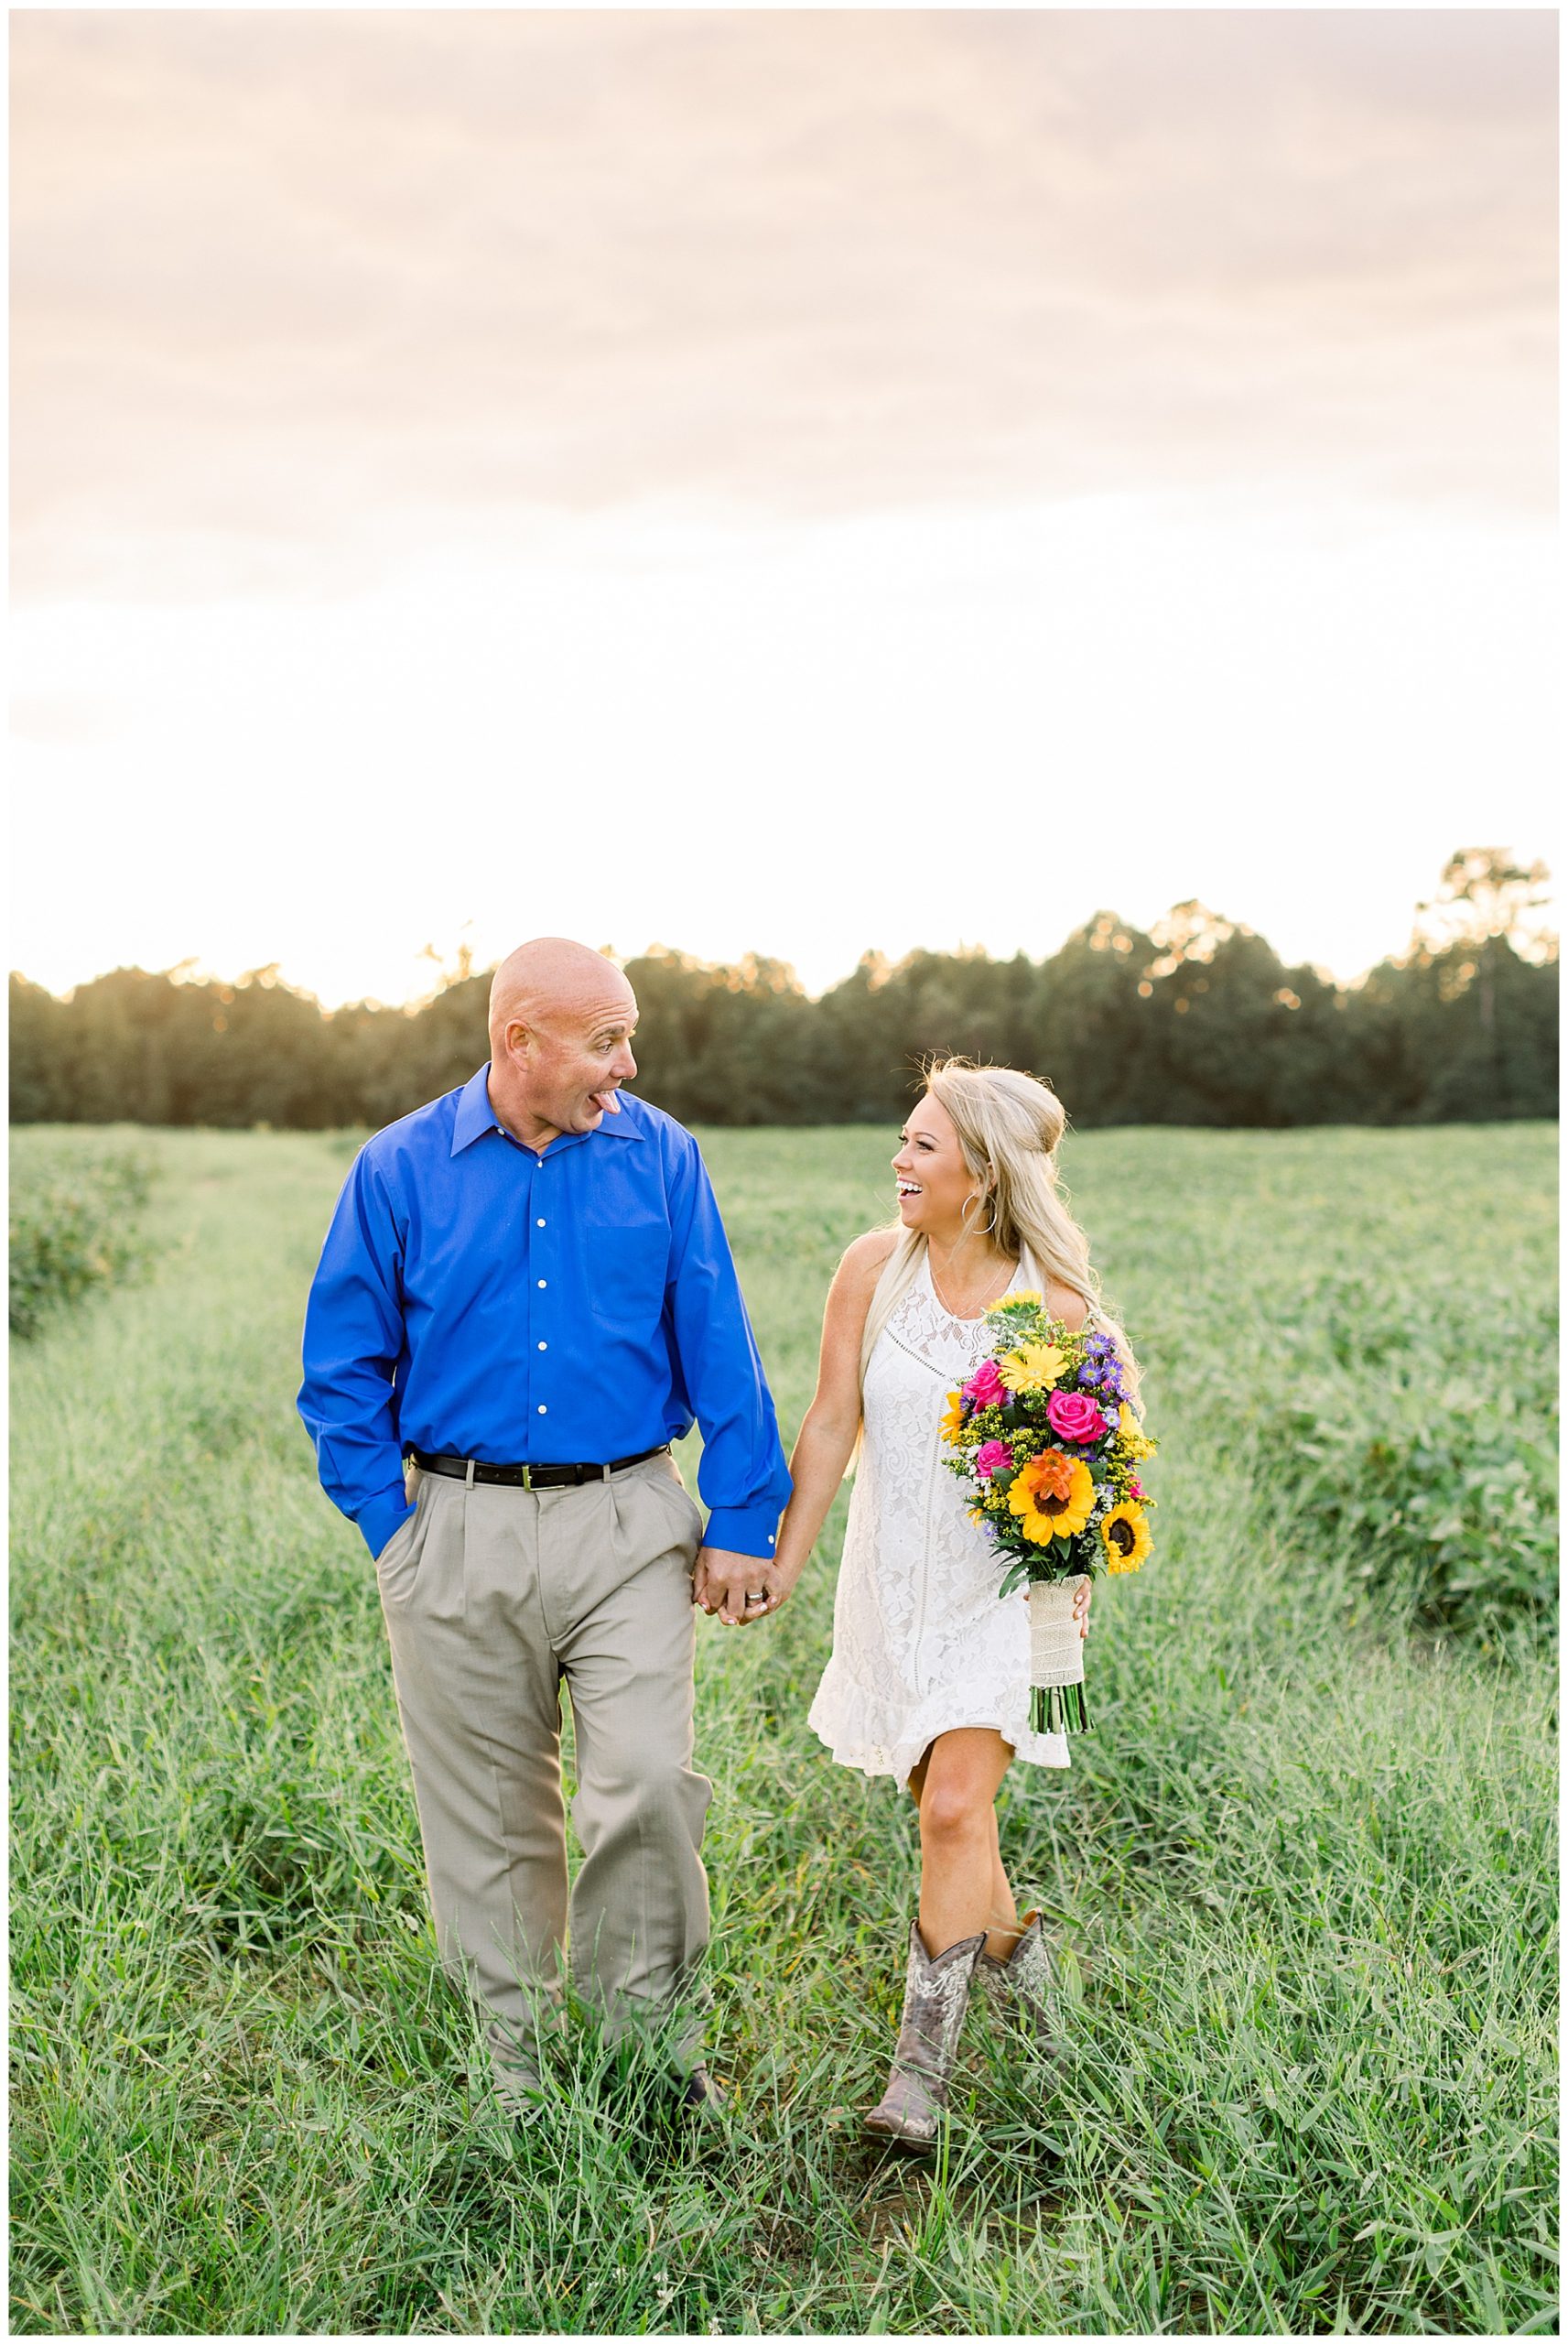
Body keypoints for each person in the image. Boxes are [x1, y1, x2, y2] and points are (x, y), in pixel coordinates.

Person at [297, 938, 791, 2119]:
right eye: (605, 1039)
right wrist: (391, 1528)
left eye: (629, 1038)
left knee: (649, 1781)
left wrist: (745, 1515)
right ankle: (511, 2068)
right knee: (484, 1808)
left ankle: (642, 2052)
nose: (626, 1064)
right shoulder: (397, 1168)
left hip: (629, 1519)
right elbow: (342, 1369)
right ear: (519, 1040)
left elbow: (719, 1338)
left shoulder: (661, 1154)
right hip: (451, 1522)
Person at [761, 1060, 1137, 2148]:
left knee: (951, 1811)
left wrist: (1072, 1598)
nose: (901, 1160)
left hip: (1005, 1603)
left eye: (924, 1144)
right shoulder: (872, 1269)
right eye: (905, 1138)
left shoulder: (1054, 1305)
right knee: (945, 1806)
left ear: (984, 1170)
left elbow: (1099, 1468)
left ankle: (917, 2078)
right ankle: (1020, 1952)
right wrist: (785, 1560)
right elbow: (832, 1423)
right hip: (894, 1587)